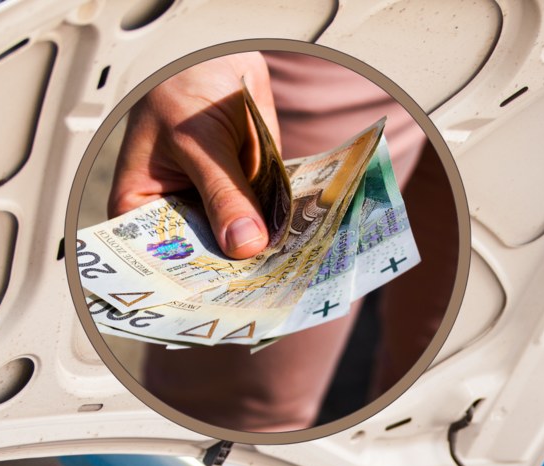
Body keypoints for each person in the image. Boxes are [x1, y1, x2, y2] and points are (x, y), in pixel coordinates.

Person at [107, 51, 458, 432]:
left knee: (448, 370)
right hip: (344, 47)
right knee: (241, 407)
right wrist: (198, 50)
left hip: (528, 79)